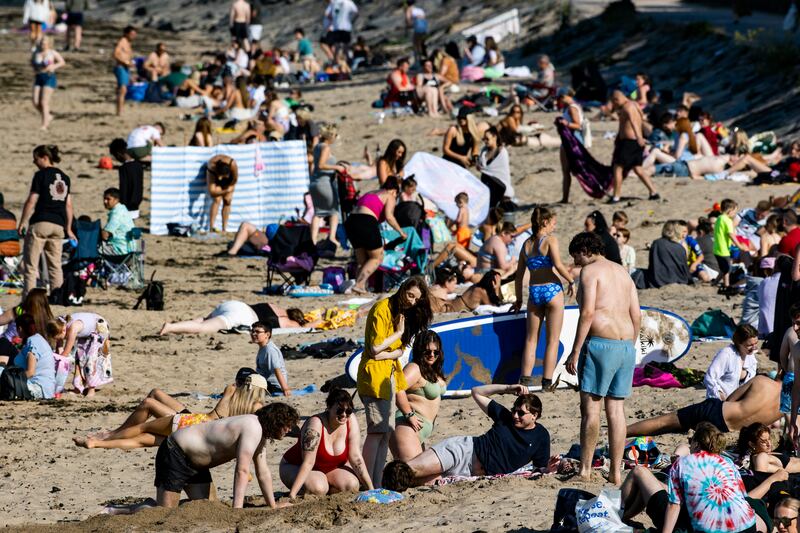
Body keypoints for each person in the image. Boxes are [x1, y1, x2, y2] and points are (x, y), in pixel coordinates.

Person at [564, 231, 640, 485]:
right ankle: (616, 473)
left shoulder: (590, 272)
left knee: (591, 409)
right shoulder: (622, 272)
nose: (576, 264)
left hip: (600, 344)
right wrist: (631, 342)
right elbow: (636, 314)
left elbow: (587, 313)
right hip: (625, 344)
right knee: (617, 411)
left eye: (576, 257)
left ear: (585, 250)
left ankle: (585, 469)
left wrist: (575, 351)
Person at [382, 384, 551, 489]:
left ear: (535, 415)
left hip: (468, 475)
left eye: (521, 413)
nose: (515, 415)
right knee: (408, 470)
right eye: (514, 410)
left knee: (412, 481)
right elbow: (477, 392)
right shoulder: (504, 416)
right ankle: (374, 480)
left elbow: (540, 469)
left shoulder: (541, 437)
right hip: (462, 451)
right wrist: (507, 388)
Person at [357, 276, 432, 486]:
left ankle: (376, 481)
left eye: (416, 299)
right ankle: (367, 482)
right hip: (374, 377)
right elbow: (374, 348)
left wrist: (389, 353)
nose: (411, 301)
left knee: (385, 433)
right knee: (376, 432)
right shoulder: (382, 308)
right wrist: (397, 337)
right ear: (402, 289)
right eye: (410, 295)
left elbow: (391, 351)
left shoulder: (401, 313)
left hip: (388, 376)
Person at [153, 403, 298, 508]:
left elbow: (263, 472)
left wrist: (273, 505)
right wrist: (237, 509)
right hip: (175, 453)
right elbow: (242, 470)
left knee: (207, 507)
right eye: (288, 425)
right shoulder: (253, 427)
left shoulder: (260, 434)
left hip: (197, 464)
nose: (290, 429)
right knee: (163, 511)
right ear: (277, 421)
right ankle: (135, 509)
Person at [74, 372, 269, 449]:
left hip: (196, 423)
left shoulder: (233, 395)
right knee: (143, 438)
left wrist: (227, 394)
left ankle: (105, 438)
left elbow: (216, 415)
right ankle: (101, 441)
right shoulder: (256, 409)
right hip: (200, 429)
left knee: (143, 427)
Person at [513, 207, 575, 389]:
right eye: (553, 223)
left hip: (534, 292)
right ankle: (547, 382)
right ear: (545, 222)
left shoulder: (525, 245)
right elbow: (558, 264)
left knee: (531, 339)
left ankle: (524, 380)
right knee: (552, 339)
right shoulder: (550, 241)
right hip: (552, 289)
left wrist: (518, 299)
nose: (554, 227)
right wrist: (571, 280)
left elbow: (518, 276)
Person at [664, 423, 765, 533]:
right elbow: (742, 496)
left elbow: (674, 505)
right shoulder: (728, 462)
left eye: (691, 442)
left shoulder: (681, 463)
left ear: (696, 444)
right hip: (748, 526)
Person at [280, 388, 373, 497]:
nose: (344, 415)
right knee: (318, 488)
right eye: (339, 410)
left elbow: (356, 458)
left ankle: (327, 485)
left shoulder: (350, 420)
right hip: (296, 466)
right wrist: (292, 494)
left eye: (348, 411)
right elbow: (308, 462)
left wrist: (371, 488)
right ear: (328, 407)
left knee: (351, 485)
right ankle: (310, 488)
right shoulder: (315, 425)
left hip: (330, 468)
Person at [627, 375, 783, 437]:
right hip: (727, 430)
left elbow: (730, 399)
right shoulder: (786, 408)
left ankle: (623, 433)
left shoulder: (762, 381)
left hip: (718, 412)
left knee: (666, 421)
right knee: (675, 426)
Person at [18, 145, 76, 298]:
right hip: (58, 225)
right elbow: (68, 205)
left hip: (41, 222)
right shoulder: (65, 178)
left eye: (35, 159)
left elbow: (32, 201)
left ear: (44, 157)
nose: (34, 162)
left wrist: (23, 222)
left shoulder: (41, 175)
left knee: (31, 266)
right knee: (55, 266)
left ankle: (29, 300)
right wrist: (68, 228)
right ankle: (57, 297)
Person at [389, 331, 447, 462]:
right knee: (413, 476)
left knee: (418, 475)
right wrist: (409, 415)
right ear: (419, 350)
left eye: (435, 352)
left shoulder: (431, 370)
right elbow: (397, 389)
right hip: (407, 428)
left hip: (419, 430)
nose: (432, 355)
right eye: (427, 351)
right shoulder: (414, 368)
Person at [343, 177, 407, 294]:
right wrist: (401, 232)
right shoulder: (390, 195)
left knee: (363, 261)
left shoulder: (370, 193)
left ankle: (358, 288)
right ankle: (359, 285)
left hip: (351, 222)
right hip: (366, 221)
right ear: (394, 191)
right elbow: (389, 217)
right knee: (377, 257)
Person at [609, 90, 659, 204]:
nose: (614, 106)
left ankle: (616, 196)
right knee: (638, 168)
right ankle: (653, 192)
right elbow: (640, 117)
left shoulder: (627, 107)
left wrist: (639, 137)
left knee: (618, 167)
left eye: (614, 103)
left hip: (629, 142)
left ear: (617, 99)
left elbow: (634, 122)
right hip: (630, 141)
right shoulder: (634, 104)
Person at [158, 300, 319, 335]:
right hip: (243, 316)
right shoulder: (287, 321)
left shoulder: (276, 306)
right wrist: (320, 320)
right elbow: (304, 328)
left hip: (235, 304)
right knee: (205, 328)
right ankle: (171, 327)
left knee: (203, 320)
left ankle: (175, 325)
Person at [309, 123, 344, 246]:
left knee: (318, 213)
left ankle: (312, 240)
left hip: (314, 183)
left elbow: (315, 165)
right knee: (334, 211)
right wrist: (337, 167)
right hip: (324, 182)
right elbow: (321, 165)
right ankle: (332, 237)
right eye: (335, 135)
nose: (335, 137)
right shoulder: (326, 147)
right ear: (330, 135)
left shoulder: (317, 146)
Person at [704, 324, 758, 401]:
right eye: (749, 345)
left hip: (740, 403)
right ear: (739, 343)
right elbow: (709, 377)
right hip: (720, 402)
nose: (754, 348)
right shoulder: (726, 354)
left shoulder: (750, 356)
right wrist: (720, 394)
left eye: (756, 343)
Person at [7, 313, 55, 400]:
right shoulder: (38, 339)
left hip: (39, 387)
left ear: (20, 328)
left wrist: (11, 380)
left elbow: (30, 372)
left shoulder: (33, 342)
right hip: (46, 387)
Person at [0, 288, 53, 361]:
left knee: (3, 342)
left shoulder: (17, 311)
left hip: (9, 350)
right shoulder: (45, 319)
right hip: (29, 356)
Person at [557, 88, 585, 203]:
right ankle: (565, 198)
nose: (559, 101)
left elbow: (578, 125)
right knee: (572, 170)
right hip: (573, 140)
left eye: (560, 98)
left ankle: (565, 198)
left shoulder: (572, 108)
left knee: (567, 170)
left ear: (564, 96)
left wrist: (565, 123)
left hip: (571, 141)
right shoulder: (575, 106)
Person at [429, 270, 502, 313]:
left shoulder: (476, 286)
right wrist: (497, 288)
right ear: (493, 282)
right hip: (452, 308)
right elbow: (495, 306)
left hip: (451, 303)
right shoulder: (481, 291)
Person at [31, 37, 64, 130]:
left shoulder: (52, 53)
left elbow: (62, 62)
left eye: (44, 43)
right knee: (35, 101)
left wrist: (53, 66)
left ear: (49, 44)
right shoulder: (36, 53)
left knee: (44, 102)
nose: (43, 45)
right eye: (41, 43)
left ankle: (44, 125)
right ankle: (48, 116)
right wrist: (35, 68)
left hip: (49, 77)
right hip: (38, 77)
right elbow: (32, 62)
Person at [251, 321, 290, 396]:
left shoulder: (270, 350)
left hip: (273, 386)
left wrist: (285, 389)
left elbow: (277, 370)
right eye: (252, 331)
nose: (253, 334)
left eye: (257, 332)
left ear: (267, 334)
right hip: (265, 383)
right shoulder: (263, 347)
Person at [477, 126, 512, 208]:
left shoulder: (502, 152)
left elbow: (501, 171)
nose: (485, 141)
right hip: (486, 183)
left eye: (487, 139)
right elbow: (481, 166)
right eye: (484, 139)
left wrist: (484, 170)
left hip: (499, 185)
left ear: (495, 137)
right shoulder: (484, 151)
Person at [108, 139, 143, 219]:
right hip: (137, 201)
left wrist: (121, 203)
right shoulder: (138, 165)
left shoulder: (124, 168)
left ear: (118, 153)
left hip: (126, 204)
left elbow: (124, 187)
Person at [206, 154, 238, 233]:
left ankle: (224, 229)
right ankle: (211, 227)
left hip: (229, 180)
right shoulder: (211, 167)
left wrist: (230, 189)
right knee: (217, 199)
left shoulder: (233, 164)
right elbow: (212, 192)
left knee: (227, 200)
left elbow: (235, 179)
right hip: (215, 177)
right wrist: (225, 191)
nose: (221, 179)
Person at [99, 188, 135, 256]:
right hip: (127, 248)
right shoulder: (122, 209)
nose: (105, 201)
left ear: (116, 200)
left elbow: (105, 235)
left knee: (91, 248)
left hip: (120, 250)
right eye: (104, 199)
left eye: (108, 199)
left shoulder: (117, 214)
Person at [714, 198, 739, 289]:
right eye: (735, 211)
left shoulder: (720, 218)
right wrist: (738, 244)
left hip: (717, 248)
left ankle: (715, 282)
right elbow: (730, 234)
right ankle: (727, 285)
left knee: (723, 268)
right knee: (727, 269)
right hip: (723, 249)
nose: (735, 214)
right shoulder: (727, 220)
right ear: (730, 210)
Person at [112, 26, 136, 116]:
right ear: (126, 34)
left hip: (125, 68)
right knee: (122, 89)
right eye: (132, 34)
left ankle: (120, 110)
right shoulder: (122, 42)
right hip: (120, 67)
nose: (133, 36)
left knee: (122, 90)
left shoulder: (128, 43)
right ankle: (119, 112)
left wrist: (129, 63)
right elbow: (115, 54)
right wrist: (125, 62)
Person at [405, 0, 428, 66]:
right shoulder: (419, 10)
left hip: (415, 30)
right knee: (422, 45)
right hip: (423, 30)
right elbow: (424, 19)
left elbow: (408, 20)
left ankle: (417, 62)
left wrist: (409, 26)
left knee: (416, 46)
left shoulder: (409, 10)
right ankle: (424, 61)